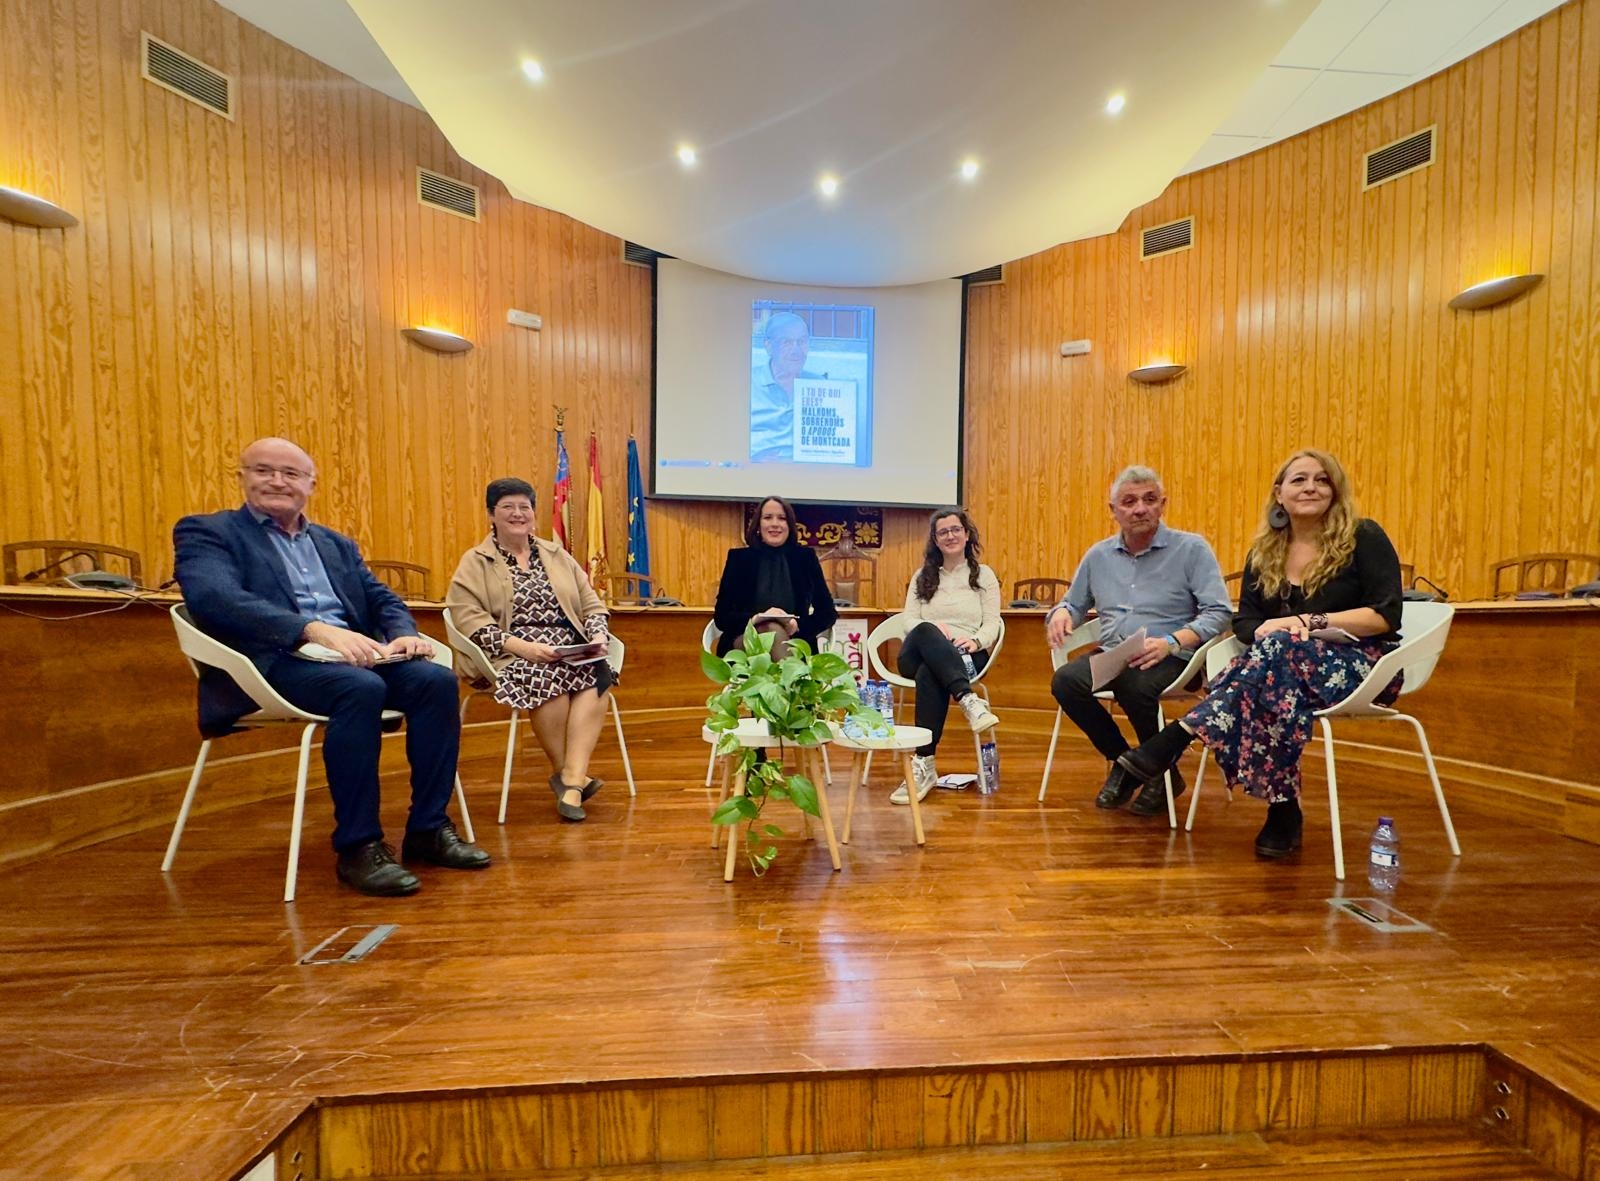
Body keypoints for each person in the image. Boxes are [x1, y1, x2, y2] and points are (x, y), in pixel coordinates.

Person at [173, 437, 489, 897]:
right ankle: (359, 846)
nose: (277, 481)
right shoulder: (207, 532)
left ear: (311, 484)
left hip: (352, 658)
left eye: (291, 474)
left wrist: (403, 631)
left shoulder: (335, 544)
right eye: (263, 470)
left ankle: (428, 829)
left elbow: (381, 598)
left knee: (435, 681)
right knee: (359, 689)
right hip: (271, 663)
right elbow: (214, 598)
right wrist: (311, 630)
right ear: (241, 477)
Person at [1115, 450, 1404, 858]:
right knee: (1275, 670)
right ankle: (1281, 810)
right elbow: (1246, 623)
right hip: (1279, 672)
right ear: (1279, 494)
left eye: (1322, 480)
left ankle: (1180, 737)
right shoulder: (1265, 552)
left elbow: (1385, 615)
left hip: (1363, 665)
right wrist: (1277, 632)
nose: (1311, 487)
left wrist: (1303, 623)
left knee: (1278, 653)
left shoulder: (1363, 536)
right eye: (1299, 480)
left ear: (1335, 490)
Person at [1046, 466, 1232, 817]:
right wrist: (1061, 613)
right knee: (1065, 682)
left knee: (1134, 683)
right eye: (1129, 502)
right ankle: (1133, 766)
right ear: (1113, 510)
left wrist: (1172, 642)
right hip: (1114, 653)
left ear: (1163, 504)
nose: (1140, 509)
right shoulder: (1098, 556)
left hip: (1174, 655)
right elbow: (1073, 603)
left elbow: (1219, 612)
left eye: (1149, 499)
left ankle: (1143, 769)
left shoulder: (1192, 549)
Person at [446, 478, 615, 824]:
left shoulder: (556, 555)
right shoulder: (475, 561)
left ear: (534, 514)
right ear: (491, 514)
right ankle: (572, 778)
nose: (518, 513)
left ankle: (569, 779)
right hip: (512, 652)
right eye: (508, 506)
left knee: (599, 675)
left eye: (524, 507)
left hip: (569, 646)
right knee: (546, 679)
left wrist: (598, 636)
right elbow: (468, 618)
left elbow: (592, 605)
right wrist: (525, 648)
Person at [888, 507, 1002, 805]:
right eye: (943, 532)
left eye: (955, 530)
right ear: (935, 540)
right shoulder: (922, 577)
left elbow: (993, 623)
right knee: (926, 630)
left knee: (931, 673)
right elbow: (909, 621)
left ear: (967, 534)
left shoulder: (984, 575)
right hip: (916, 652)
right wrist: (936, 630)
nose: (950, 536)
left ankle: (924, 764)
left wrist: (976, 640)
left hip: (966, 655)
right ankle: (967, 700)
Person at [711, 496, 838, 658]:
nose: (775, 524)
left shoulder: (805, 558)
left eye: (782, 518)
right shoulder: (739, 559)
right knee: (772, 629)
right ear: (758, 524)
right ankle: (788, 674)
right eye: (768, 517)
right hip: (745, 641)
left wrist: (796, 625)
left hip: (794, 640)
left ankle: (782, 672)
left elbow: (827, 613)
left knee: (776, 634)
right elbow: (722, 617)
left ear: (789, 525)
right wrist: (755, 619)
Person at [749, 312, 822, 463]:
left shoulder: (820, 385)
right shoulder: (747, 383)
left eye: (802, 342)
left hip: (807, 470)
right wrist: (752, 460)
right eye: (786, 342)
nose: (796, 351)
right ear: (769, 346)